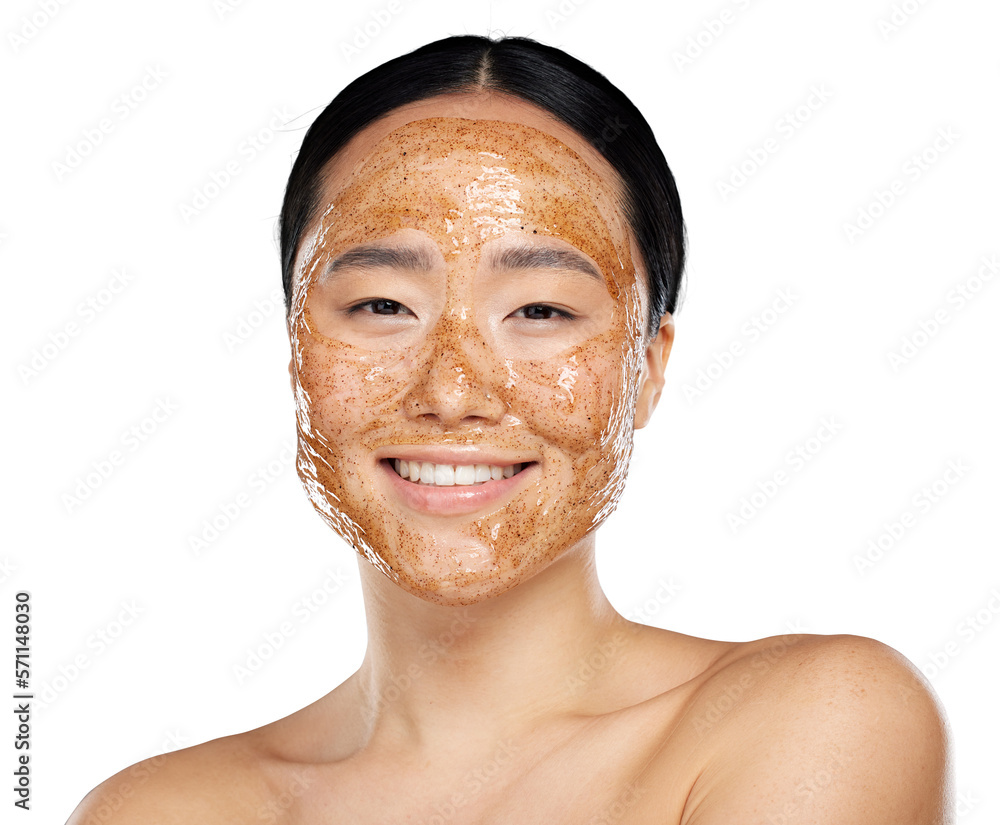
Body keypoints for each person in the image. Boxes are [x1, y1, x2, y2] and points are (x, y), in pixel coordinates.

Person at [68, 34, 952, 824]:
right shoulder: (158, 808)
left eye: (538, 308)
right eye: (382, 304)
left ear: (647, 367)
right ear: (298, 344)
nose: (452, 391)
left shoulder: (817, 720)